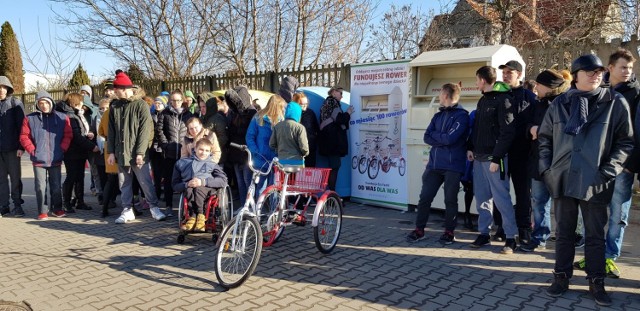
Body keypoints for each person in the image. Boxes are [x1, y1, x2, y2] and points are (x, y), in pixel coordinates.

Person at [539, 54, 633, 306]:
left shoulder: (615, 101)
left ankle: (596, 281)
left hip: (596, 180)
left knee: (594, 235)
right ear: (576, 74)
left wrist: (608, 171)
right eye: (590, 71)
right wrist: (547, 170)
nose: (596, 75)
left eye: (599, 71)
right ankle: (560, 277)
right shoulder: (559, 103)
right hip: (563, 177)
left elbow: (625, 141)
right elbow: (545, 139)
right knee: (564, 233)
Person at [573, 48, 639, 278]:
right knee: (595, 213)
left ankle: (610, 257)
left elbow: (635, 135)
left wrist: (630, 164)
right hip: (596, 165)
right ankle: (593, 255)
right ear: (610, 68)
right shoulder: (598, 92)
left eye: (630, 68)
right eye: (623, 67)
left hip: (622, 166)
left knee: (617, 214)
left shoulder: (635, 94)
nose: (627, 72)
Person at [406, 84, 469, 244]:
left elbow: (450, 139)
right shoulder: (438, 116)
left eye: (440, 93)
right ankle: (419, 230)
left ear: (446, 95)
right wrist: (442, 137)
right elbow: (427, 137)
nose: (439, 97)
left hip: (453, 166)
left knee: (450, 200)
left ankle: (449, 232)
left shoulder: (462, 116)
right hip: (434, 165)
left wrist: (438, 137)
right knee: (424, 198)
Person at [467, 66, 518, 254]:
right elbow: (478, 128)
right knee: (482, 199)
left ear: (482, 80)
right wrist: (471, 147)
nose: (475, 83)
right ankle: (484, 234)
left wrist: (497, 157)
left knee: (502, 199)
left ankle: (511, 238)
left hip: (495, 159)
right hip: (479, 158)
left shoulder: (503, 100)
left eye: (476, 80)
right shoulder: (482, 100)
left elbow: (508, 132)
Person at [520, 69, 572, 253]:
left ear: (549, 87)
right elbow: (525, 125)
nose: (536, 88)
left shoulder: (564, 104)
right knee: (539, 201)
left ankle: (565, 239)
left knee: (561, 204)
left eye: (539, 85)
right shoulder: (537, 104)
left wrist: (540, 130)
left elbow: (564, 131)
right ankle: (539, 237)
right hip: (537, 161)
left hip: (557, 163)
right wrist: (530, 129)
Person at [107, 70, 166, 224]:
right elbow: (111, 130)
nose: (114, 92)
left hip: (138, 153)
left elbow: (145, 130)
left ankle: (154, 208)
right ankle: (127, 210)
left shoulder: (141, 105)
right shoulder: (115, 106)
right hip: (121, 153)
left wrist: (140, 152)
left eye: (116, 89)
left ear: (125, 88)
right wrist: (111, 152)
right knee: (124, 182)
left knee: (145, 181)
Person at [498, 60, 538, 245]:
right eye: (504, 72)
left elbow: (534, 124)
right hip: (501, 153)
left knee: (523, 193)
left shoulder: (529, 97)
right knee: (501, 192)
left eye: (509, 72)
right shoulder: (497, 95)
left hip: (522, 154)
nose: (505, 75)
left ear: (519, 75)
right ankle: (501, 227)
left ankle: (524, 229)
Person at [19, 91, 72, 219]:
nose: (44, 105)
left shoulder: (62, 118)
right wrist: (32, 150)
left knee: (56, 186)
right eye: (40, 103)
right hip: (38, 159)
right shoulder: (29, 118)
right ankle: (42, 210)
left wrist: (62, 149)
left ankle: (57, 209)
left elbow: (68, 135)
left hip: (56, 157)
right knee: (40, 187)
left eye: (46, 102)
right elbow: (24, 136)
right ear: (37, 104)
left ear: (51, 102)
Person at [172, 138, 227, 232]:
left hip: (207, 189)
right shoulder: (182, 163)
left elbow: (223, 181)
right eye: (201, 149)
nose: (203, 153)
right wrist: (186, 184)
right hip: (189, 188)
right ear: (195, 149)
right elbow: (175, 185)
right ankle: (192, 217)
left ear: (210, 152)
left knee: (198, 189)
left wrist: (203, 182)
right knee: (189, 189)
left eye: (207, 150)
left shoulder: (212, 165)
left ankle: (200, 216)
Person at [57, 93, 99, 213]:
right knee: (71, 176)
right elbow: (75, 136)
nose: (82, 104)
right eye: (81, 101)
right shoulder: (70, 116)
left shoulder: (74, 114)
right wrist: (92, 147)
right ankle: (67, 202)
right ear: (75, 102)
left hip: (79, 150)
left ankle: (79, 201)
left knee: (80, 176)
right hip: (71, 151)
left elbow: (80, 132)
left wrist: (87, 135)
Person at [156, 89, 193, 216]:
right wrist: (166, 145)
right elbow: (159, 131)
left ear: (182, 100)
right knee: (168, 181)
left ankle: (185, 207)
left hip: (184, 153)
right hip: (169, 153)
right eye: (173, 100)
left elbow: (193, 130)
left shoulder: (188, 114)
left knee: (186, 180)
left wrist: (188, 145)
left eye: (178, 100)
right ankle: (168, 205)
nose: (176, 103)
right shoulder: (165, 113)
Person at [246, 95, 286, 199]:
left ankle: (273, 213)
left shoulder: (282, 121)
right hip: (261, 160)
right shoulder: (258, 118)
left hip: (275, 161)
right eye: (282, 107)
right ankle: (259, 212)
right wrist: (256, 151)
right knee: (260, 188)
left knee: (274, 189)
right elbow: (250, 137)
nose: (283, 110)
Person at [225, 86, 257, 206]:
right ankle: (244, 206)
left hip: (246, 153)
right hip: (235, 152)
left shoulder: (252, 113)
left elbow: (250, 133)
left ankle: (249, 206)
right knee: (240, 182)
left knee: (248, 181)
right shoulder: (233, 113)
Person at [319, 86, 354, 191]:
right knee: (335, 167)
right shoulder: (332, 103)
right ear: (334, 92)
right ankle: (332, 193)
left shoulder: (327, 103)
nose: (342, 96)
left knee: (333, 167)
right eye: (340, 93)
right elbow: (339, 120)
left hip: (328, 141)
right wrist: (348, 113)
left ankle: (330, 193)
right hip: (333, 142)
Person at [0, 76, 25, 217]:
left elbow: (22, 127)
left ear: (8, 89)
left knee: (15, 178)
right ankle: (4, 206)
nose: (1, 90)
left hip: (13, 149)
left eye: (3, 87)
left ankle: (17, 205)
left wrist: (21, 147)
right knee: (1, 179)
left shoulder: (15, 103)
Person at [270, 101, 309, 166]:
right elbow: (304, 148)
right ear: (298, 114)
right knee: (296, 177)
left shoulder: (277, 126)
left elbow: (272, 144)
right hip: (297, 163)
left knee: (283, 176)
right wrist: (305, 154)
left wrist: (279, 151)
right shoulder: (300, 127)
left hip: (281, 162)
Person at [295, 92, 319, 167]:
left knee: (310, 171)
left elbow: (316, 128)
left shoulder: (310, 113)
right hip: (297, 148)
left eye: (306, 103)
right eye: (303, 103)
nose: (305, 105)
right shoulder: (294, 114)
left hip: (310, 146)